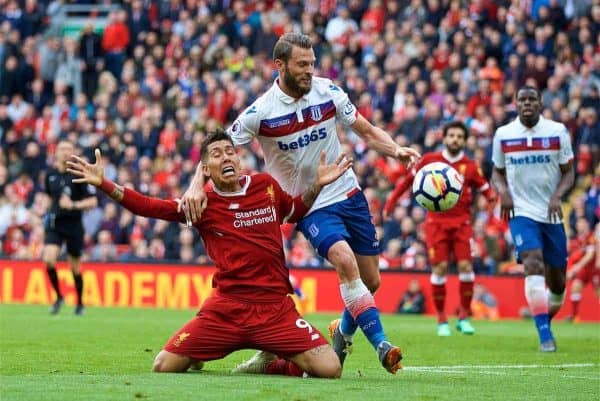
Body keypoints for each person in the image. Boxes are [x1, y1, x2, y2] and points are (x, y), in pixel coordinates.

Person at [179, 33, 420, 374]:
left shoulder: (329, 92)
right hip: (311, 204)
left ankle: (343, 331)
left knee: (370, 282)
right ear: (280, 66)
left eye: (312, 64)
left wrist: (396, 150)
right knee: (343, 259)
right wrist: (195, 187)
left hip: (349, 194)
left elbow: (366, 130)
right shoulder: (260, 112)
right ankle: (382, 345)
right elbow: (216, 148)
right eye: (302, 65)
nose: (310, 71)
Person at [66, 130, 351, 378]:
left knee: (330, 368)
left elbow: (294, 211)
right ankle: (199, 353)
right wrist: (104, 184)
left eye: (230, 152)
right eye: (217, 155)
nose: (226, 157)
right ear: (205, 169)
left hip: (274, 308)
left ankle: (269, 365)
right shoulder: (201, 204)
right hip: (226, 310)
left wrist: (316, 185)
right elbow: (149, 206)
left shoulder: (265, 186)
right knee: (163, 366)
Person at [383, 121, 495, 336]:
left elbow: (488, 192)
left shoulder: (471, 167)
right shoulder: (430, 161)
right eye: (451, 135)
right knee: (440, 270)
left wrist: (489, 210)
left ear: (464, 140)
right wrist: (390, 203)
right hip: (436, 224)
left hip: (462, 224)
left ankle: (463, 317)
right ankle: (442, 320)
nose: (455, 139)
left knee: (465, 268)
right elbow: (407, 182)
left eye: (459, 136)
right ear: (444, 137)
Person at [491, 86, 575, 352]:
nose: (527, 103)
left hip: (550, 214)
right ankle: (544, 335)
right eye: (522, 99)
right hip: (520, 212)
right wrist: (503, 192)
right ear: (515, 104)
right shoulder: (503, 134)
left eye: (532, 99)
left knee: (558, 281)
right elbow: (497, 172)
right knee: (532, 262)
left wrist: (557, 196)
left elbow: (569, 172)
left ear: (540, 103)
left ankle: (544, 318)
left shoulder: (557, 131)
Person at [43, 140, 98, 315]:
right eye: (62, 149)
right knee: (49, 259)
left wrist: (73, 205)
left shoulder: (78, 174)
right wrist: (42, 210)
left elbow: (93, 201)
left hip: (74, 225)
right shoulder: (50, 174)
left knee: (74, 267)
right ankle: (59, 296)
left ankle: (80, 303)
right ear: (56, 153)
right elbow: (49, 197)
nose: (66, 152)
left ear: (73, 153)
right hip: (55, 224)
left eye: (69, 149)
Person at [565, 218, 599, 322]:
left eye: (582, 224)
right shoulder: (577, 239)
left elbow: (590, 255)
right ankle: (575, 316)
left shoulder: (591, 237)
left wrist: (576, 267)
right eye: (579, 224)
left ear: (587, 225)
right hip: (584, 270)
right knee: (575, 287)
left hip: (594, 269)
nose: (580, 226)